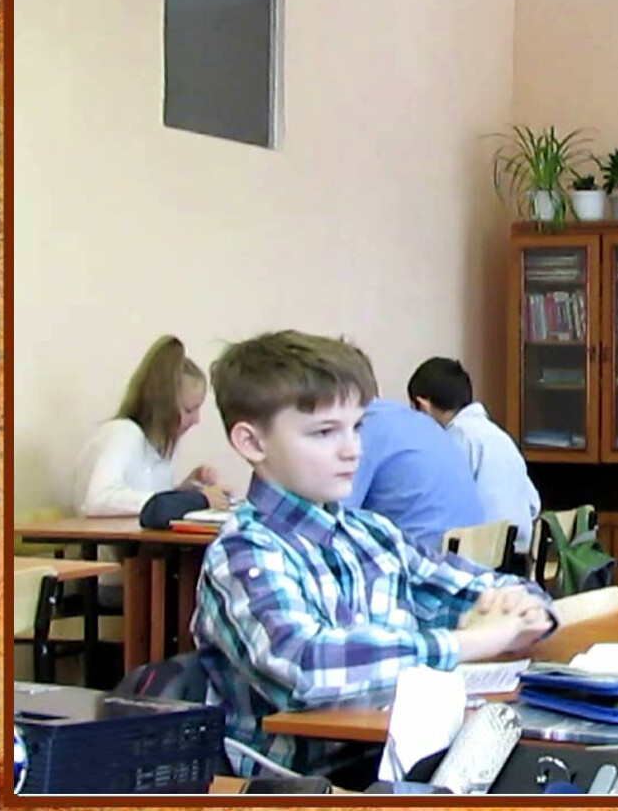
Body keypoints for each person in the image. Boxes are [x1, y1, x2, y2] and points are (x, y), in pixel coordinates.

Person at [192, 330, 555, 782]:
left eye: (358, 427)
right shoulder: (244, 552)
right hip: (298, 785)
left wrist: (525, 608)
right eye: (325, 432)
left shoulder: (373, 535)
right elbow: (306, 666)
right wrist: (470, 642)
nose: (352, 449)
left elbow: (482, 588)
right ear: (252, 443)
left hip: (395, 761)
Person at [70, 334, 229, 607]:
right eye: (190, 409)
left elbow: (144, 505)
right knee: (204, 592)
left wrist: (183, 489)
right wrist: (194, 501)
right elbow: (98, 499)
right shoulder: (125, 433)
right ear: (164, 406)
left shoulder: (154, 447)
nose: (196, 420)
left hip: (139, 569)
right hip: (114, 578)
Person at [341, 348, 486, 552]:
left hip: (423, 558)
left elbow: (333, 517)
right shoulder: (426, 423)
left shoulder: (365, 427)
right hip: (475, 556)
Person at [407, 357, 541, 558]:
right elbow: (534, 505)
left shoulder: (457, 437)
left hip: (480, 561)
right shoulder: (498, 436)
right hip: (518, 557)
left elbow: (439, 507)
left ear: (422, 406)